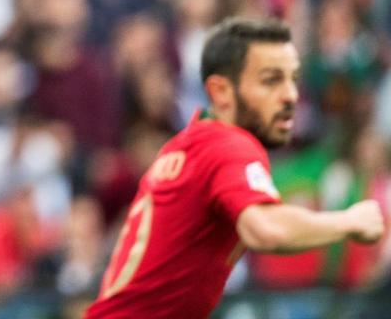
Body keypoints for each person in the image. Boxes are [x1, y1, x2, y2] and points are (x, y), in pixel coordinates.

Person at [85, 18, 385, 318]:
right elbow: (265, 230)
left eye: (292, 79)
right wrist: (350, 221)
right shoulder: (229, 145)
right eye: (270, 80)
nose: (290, 95)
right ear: (221, 92)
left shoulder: (190, 142)